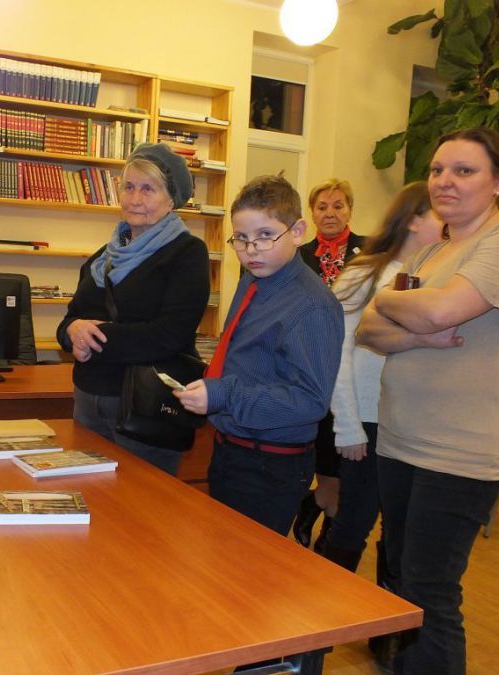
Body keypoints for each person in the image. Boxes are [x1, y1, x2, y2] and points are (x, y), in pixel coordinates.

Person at [357, 127, 499, 674]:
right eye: (438, 170)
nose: (445, 181)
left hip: (460, 451)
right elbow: (370, 330)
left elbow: (442, 311)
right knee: (401, 579)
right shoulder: (434, 250)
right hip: (400, 439)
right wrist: (414, 325)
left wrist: (400, 305)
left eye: (464, 171)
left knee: (430, 591)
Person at [175, 175, 343, 535]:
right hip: (230, 448)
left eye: (265, 235)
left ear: (298, 232)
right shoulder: (254, 278)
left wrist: (224, 394)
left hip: (269, 464)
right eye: (241, 238)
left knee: (248, 564)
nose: (251, 249)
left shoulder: (312, 306)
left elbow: (310, 401)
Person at [56, 143, 210, 475]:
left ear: (171, 200)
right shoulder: (104, 256)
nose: (135, 199)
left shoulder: (187, 253)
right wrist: (72, 331)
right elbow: (70, 319)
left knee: (144, 502)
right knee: (89, 496)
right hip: (88, 401)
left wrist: (95, 336)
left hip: (146, 408)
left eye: (148, 189)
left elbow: (170, 335)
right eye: (128, 187)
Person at [317, 181, 444, 574]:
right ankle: (327, 609)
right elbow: (336, 353)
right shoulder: (364, 272)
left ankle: (388, 613)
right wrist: (347, 425)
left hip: (413, 423)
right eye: (439, 214)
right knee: (353, 523)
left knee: (401, 529)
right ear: (413, 220)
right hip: (368, 421)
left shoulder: (439, 277)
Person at [293, 178, 366, 550]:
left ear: (350, 209)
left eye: (338, 205)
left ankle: (321, 516)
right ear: (312, 213)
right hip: (314, 370)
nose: (330, 213)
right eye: (322, 207)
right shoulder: (299, 256)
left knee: (350, 466)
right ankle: (323, 511)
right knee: (326, 458)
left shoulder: (370, 253)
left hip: (356, 369)